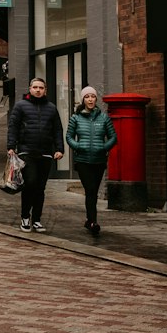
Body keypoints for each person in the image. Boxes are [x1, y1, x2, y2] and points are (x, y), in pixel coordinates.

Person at [7, 74, 64, 233]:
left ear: (45, 90)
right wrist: (11, 146)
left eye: (41, 88)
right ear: (30, 89)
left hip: (45, 154)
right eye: (35, 87)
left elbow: (57, 130)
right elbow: (13, 127)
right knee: (30, 183)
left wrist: (59, 149)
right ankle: (25, 217)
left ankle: (37, 220)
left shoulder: (51, 108)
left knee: (40, 188)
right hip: (26, 152)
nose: (38, 90)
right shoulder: (20, 106)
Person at [66, 86, 117, 238]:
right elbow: (69, 137)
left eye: (92, 97)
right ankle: (93, 221)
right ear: (83, 99)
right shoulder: (76, 118)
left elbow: (113, 137)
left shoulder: (104, 118)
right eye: (87, 97)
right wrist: (78, 146)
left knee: (93, 191)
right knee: (90, 190)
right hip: (83, 161)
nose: (90, 99)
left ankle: (89, 220)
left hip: (99, 161)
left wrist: (104, 147)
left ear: (95, 99)